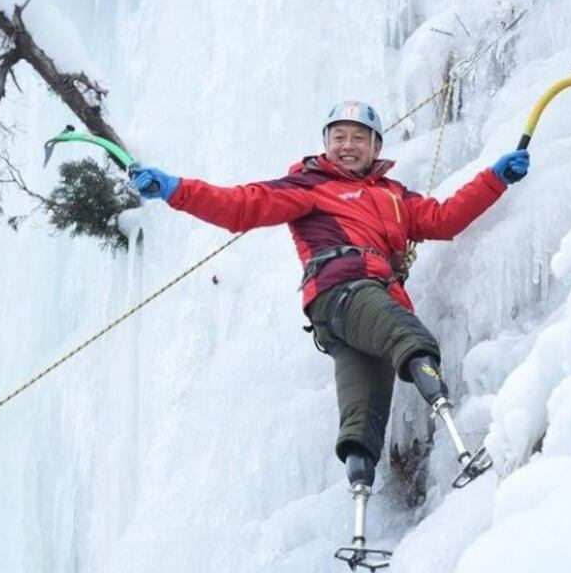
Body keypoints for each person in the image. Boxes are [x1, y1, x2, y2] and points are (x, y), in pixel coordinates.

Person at [131, 100, 529, 562]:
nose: (347, 145)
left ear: (375, 147)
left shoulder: (396, 197)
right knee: (411, 339)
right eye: (338, 137)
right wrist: (175, 189)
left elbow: (443, 219)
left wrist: (495, 178)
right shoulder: (309, 186)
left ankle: (359, 540)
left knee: (362, 417)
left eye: (358, 138)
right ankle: (464, 450)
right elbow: (242, 205)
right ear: (325, 143)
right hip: (343, 292)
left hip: (356, 311)